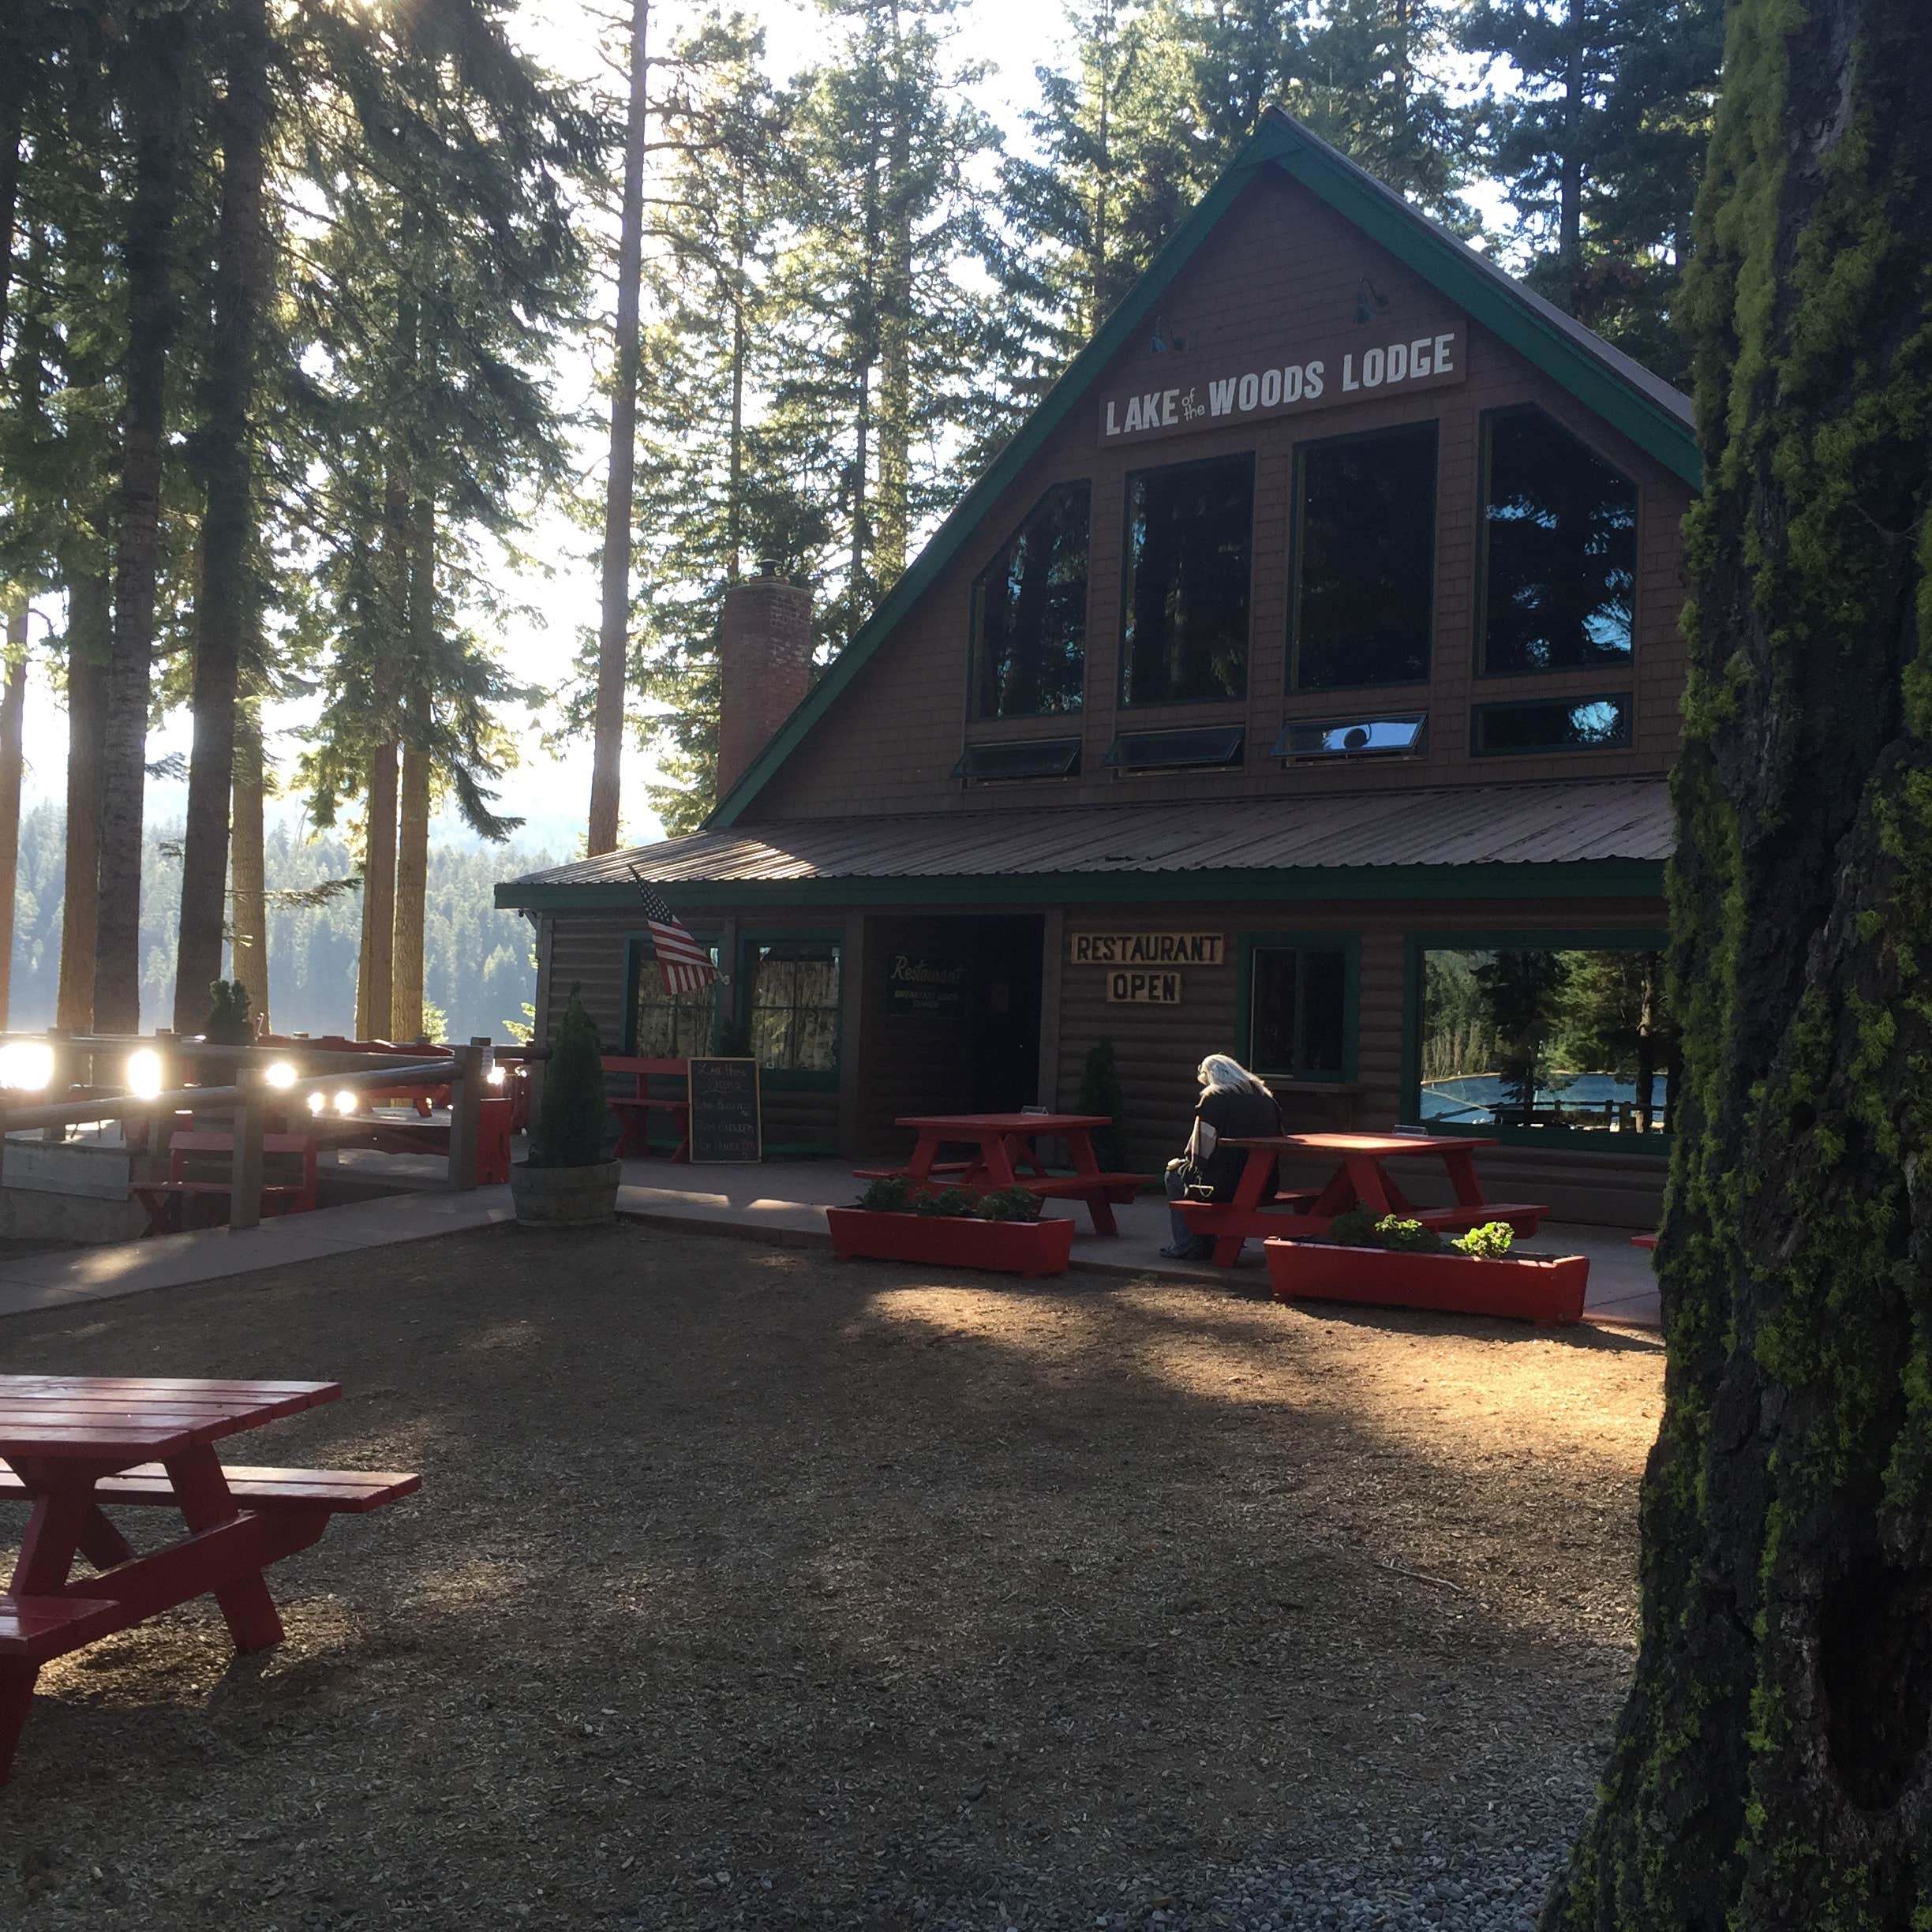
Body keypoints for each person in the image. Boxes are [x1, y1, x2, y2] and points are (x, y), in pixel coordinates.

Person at [1161, 1054, 1282, 1260]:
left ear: (1211, 1077)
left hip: (1221, 1185)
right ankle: (1208, 1240)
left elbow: (1200, 1153)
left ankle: (1187, 1243)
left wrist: (1186, 1165)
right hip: (1265, 1184)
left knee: (1174, 1175)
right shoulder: (1267, 1100)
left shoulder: (1213, 1100)